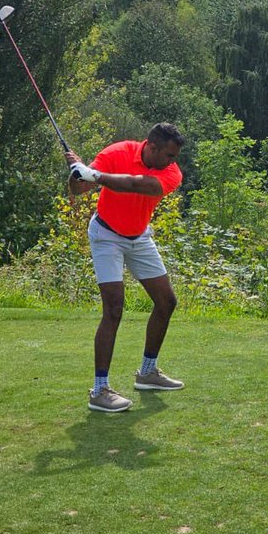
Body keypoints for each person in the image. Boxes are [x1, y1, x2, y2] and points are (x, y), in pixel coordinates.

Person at [66, 122, 186, 414]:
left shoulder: (170, 173)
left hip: (138, 236)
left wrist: (94, 175)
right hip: (106, 235)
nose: (174, 162)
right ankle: (99, 390)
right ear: (152, 147)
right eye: (169, 155)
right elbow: (79, 189)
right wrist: (76, 173)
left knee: (166, 301)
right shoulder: (116, 152)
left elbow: (136, 185)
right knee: (114, 308)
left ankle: (147, 372)